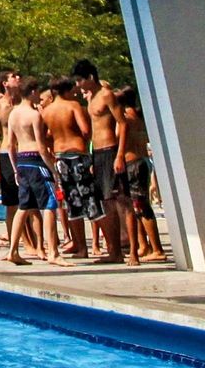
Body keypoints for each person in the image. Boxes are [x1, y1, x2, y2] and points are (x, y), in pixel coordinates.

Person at [40, 77, 102, 259]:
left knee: (72, 205)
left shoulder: (47, 112)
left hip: (60, 157)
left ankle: (81, 248)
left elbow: (44, 137)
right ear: (67, 91)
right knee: (91, 201)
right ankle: (107, 246)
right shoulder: (73, 106)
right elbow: (84, 130)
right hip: (77, 154)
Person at [6, 78, 65, 266]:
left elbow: (10, 146)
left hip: (22, 162)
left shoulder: (13, 114)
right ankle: (53, 252)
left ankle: (12, 250)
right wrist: (53, 170)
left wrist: (16, 169)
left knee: (23, 207)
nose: (39, 95)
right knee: (50, 204)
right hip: (36, 161)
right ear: (32, 92)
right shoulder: (34, 115)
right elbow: (41, 147)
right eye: (38, 91)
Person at [73, 60, 127, 264]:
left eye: (80, 80)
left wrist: (120, 154)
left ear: (90, 78)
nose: (78, 85)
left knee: (114, 200)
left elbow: (122, 123)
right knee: (103, 201)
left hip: (110, 150)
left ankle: (120, 249)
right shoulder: (91, 99)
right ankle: (114, 249)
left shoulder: (106, 95)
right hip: (97, 152)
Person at [116, 86, 166, 264]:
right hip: (142, 161)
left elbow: (119, 138)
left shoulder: (126, 119)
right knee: (136, 206)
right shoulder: (139, 117)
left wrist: (118, 156)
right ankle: (144, 245)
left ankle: (157, 248)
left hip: (133, 163)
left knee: (140, 206)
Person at [0, 70, 23, 247]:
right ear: (5, 83)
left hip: (26, 152)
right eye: (14, 77)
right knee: (12, 203)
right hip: (5, 155)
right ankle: (14, 244)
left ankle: (35, 242)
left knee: (31, 203)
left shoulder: (25, 103)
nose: (19, 78)